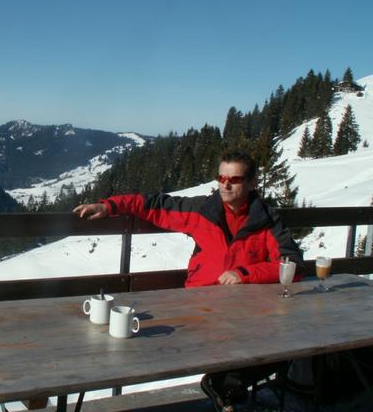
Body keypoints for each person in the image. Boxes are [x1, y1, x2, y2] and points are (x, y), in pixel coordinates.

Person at [73, 150, 304, 411]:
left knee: (291, 344)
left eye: (235, 179)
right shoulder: (203, 210)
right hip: (199, 307)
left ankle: (226, 386)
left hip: (247, 310)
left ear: (252, 183)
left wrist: (245, 274)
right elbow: (153, 204)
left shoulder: (266, 220)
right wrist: (109, 206)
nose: (225, 185)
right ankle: (226, 387)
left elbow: (293, 265)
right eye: (221, 177)